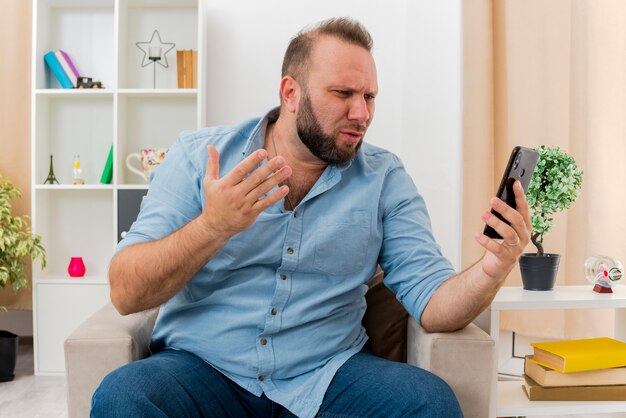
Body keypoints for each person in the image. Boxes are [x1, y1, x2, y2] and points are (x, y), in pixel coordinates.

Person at [91, 17, 530, 418]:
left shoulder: (384, 178)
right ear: (290, 93)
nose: (361, 114)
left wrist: (494, 266)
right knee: (122, 397)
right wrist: (212, 226)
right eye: (342, 94)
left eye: (369, 97)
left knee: (430, 403)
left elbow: (433, 304)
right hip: (203, 369)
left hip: (328, 376)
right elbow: (126, 292)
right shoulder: (197, 156)